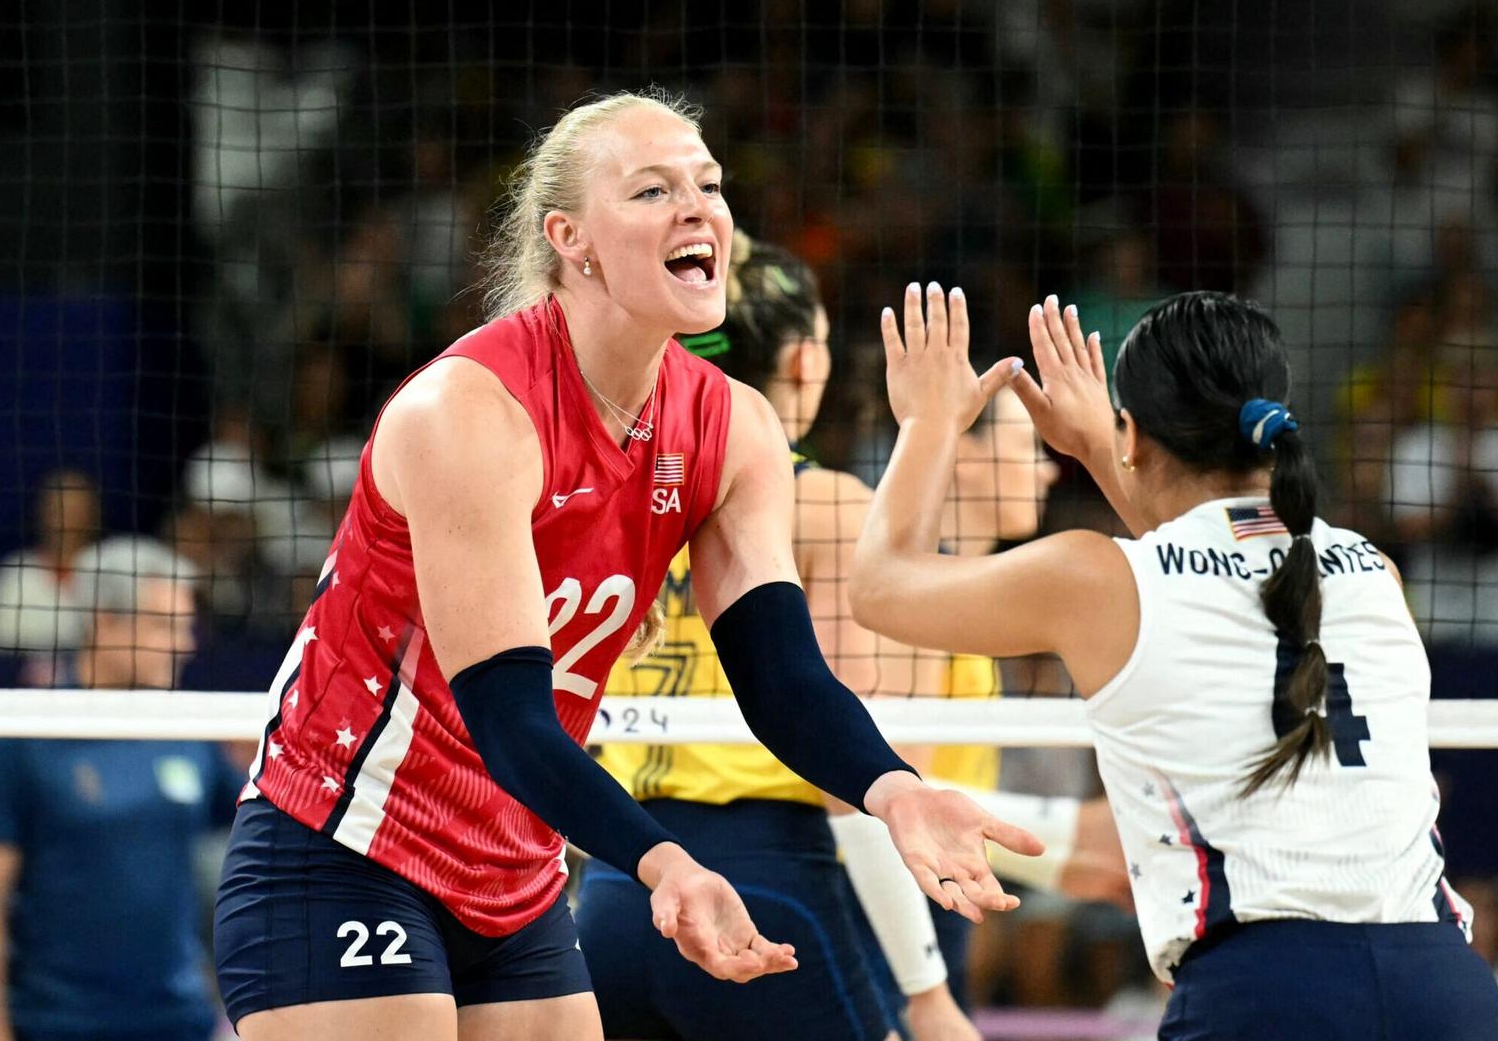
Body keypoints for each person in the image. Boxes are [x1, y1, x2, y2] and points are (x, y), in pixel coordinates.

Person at [212, 90, 1039, 1041]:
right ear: (572, 238)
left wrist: (895, 790)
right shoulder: (471, 414)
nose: (699, 208)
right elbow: (512, 721)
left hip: (517, 867)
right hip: (345, 844)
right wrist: (665, 863)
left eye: (710, 186)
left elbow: (780, 679)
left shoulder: (734, 426)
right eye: (652, 190)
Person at [852, 285, 1498, 1040]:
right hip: (1446, 988)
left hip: (1267, 995)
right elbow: (1218, 566)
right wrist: (1106, 444)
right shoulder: (1376, 572)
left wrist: (930, 421)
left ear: (1137, 435)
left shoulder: (1095, 581)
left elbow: (879, 587)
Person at [582, 236, 1116, 1041]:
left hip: (620, 885)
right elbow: (854, 796)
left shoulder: (618, 496)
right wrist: (925, 995)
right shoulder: (827, 507)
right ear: (804, 362)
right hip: (768, 880)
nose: (1041, 469)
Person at [0, 536, 241, 1041]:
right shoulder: (26, 737)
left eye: (185, 625)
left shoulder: (185, 729)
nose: (185, 643)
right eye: (164, 625)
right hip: (57, 1025)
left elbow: (259, 822)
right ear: (104, 622)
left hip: (178, 1023)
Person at [0, 468, 102, 656]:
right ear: (42, 511)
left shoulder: (111, 569)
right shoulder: (14, 574)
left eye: (76, 507)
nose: (67, 516)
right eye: (59, 506)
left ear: (93, 512)